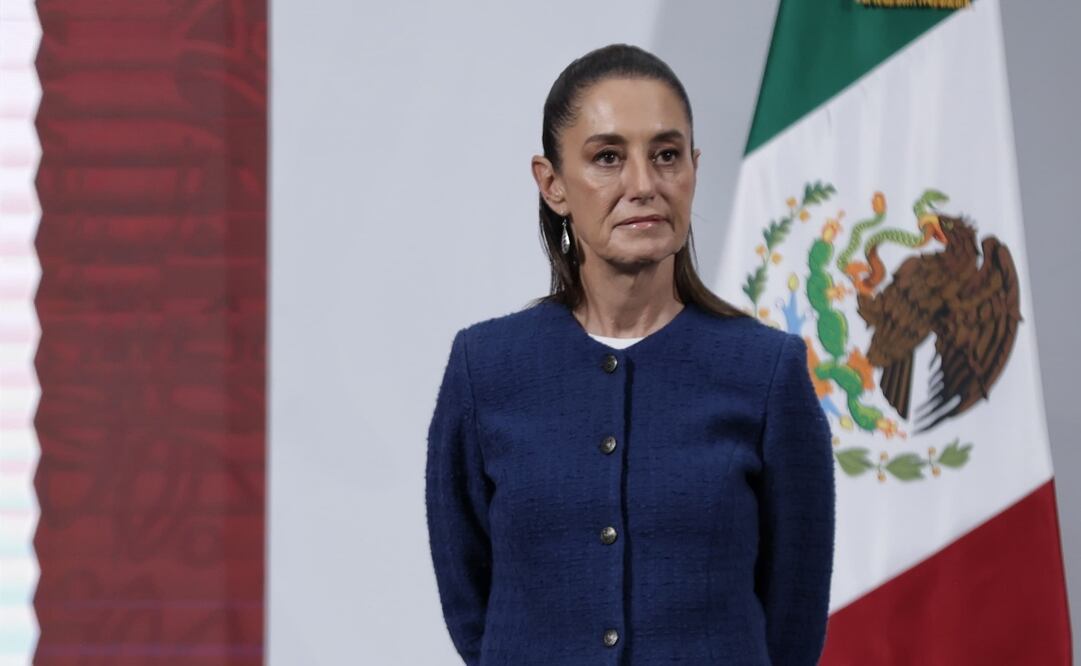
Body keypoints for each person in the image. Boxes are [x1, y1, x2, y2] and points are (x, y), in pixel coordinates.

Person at [424, 43, 835, 665]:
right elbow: (468, 593)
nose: (643, 185)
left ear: (694, 169)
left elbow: (794, 612)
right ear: (553, 183)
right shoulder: (486, 368)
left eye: (666, 156)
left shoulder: (766, 371)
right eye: (607, 158)